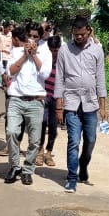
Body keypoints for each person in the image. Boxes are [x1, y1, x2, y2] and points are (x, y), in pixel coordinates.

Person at [54, 16, 107, 193]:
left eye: (82, 34)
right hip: (71, 104)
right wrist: (59, 106)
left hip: (91, 104)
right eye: (76, 34)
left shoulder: (97, 51)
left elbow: (100, 78)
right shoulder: (64, 51)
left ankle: (83, 165)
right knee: (73, 142)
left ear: (89, 31)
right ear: (72, 32)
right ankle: (71, 178)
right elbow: (59, 79)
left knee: (90, 140)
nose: (78, 37)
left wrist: (103, 106)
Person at [3, 27, 51, 186]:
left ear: (39, 38)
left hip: (36, 101)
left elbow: (45, 74)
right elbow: (11, 72)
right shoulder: (16, 51)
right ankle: (15, 166)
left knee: (34, 140)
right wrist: (25, 55)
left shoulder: (45, 53)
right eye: (29, 35)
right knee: (11, 132)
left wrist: (34, 54)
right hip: (16, 99)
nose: (31, 39)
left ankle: (28, 170)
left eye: (35, 36)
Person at [35, 35, 63, 167]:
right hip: (44, 95)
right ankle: (40, 150)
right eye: (51, 50)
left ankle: (49, 152)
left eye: (56, 50)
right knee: (42, 123)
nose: (53, 52)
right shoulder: (44, 59)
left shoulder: (64, 62)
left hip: (56, 97)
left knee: (53, 126)